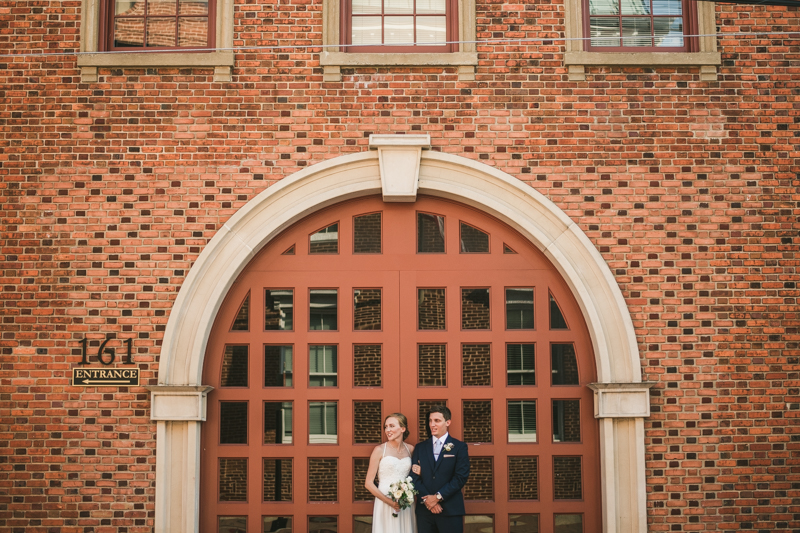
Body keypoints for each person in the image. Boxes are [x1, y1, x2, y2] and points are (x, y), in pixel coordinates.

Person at [409, 405, 470, 533]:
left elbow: (460, 478)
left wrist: (437, 498)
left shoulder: (459, 447)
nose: (432, 424)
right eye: (430, 421)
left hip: (450, 510)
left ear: (448, 422)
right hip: (424, 512)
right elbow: (413, 478)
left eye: (437, 421)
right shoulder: (420, 448)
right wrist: (427, 500)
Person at [364, 413, 417, 533]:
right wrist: (390, 502)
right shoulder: (379, 450)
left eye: (392, 426)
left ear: (403, 429)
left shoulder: (411, 450)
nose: (388, 430)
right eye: (386, 427)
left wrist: (419, 471)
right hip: (385, 501)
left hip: (405, 503)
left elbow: (415, 475)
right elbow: (368, 483)